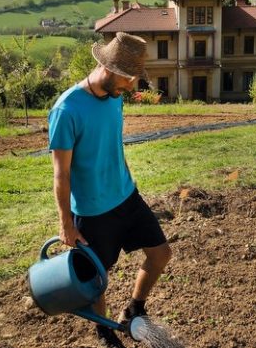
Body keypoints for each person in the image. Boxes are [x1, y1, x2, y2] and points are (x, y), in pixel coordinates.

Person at [48, 32, 172, 348]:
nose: (132, 86)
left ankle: (134, 310)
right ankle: (104, 333)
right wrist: (65, 224)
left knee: (160, 254)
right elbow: (61, 175)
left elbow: (111, 146)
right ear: (109, 68)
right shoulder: (67, 110)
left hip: (126, 197)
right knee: (97, 281)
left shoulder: (114, 97)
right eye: (129, 78)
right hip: (93, 211)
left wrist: (126, 179)